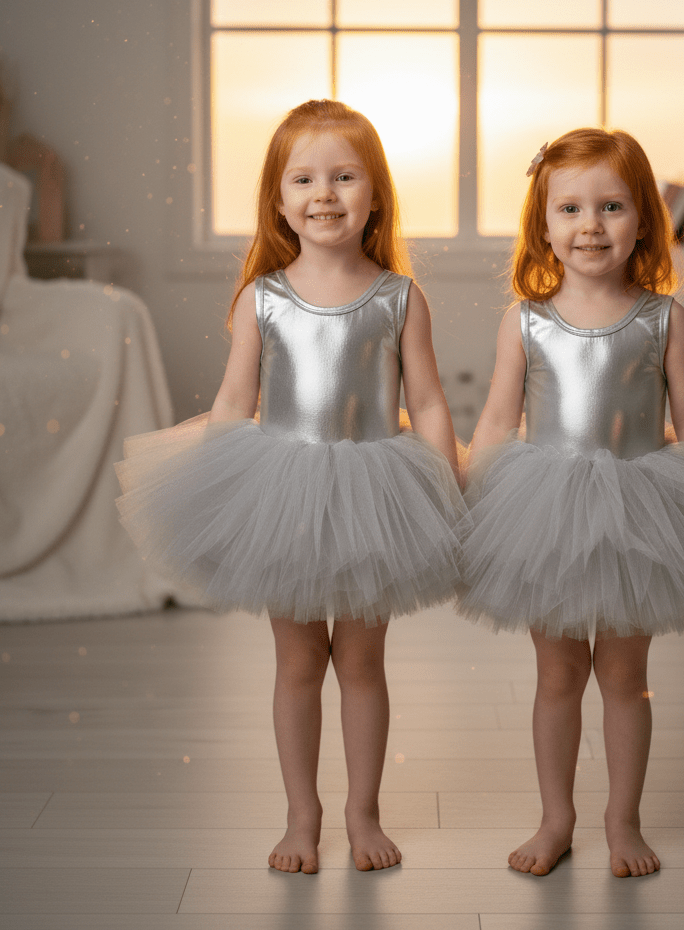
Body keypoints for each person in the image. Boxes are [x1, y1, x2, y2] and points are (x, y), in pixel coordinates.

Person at [115, 99, 464, 875]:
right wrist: (212, 489)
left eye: (344, 176)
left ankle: (363, 810)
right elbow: (236, 402)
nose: (325, 194)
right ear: (278, 198)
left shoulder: (398, 296)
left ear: (376, 194)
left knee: (364, 663)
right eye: (303, 178)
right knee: (299, 663)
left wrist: (445, 484)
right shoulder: (262, 298)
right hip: (286, 493)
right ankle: (301, 816)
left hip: (378, 489)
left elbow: (430, 401)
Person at [458, 128, 684, 879]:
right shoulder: (526, 320)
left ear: (644, 217)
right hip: (543, 507)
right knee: (557, 676)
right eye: (572, 208)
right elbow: (495, 418)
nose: (591, 225)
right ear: (543, 226)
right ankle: (557, 817)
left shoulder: (663, 319)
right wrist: (478, 492)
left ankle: (624, 818)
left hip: (641, 506)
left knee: (624, 676)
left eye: (611, 206)